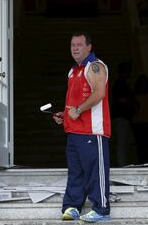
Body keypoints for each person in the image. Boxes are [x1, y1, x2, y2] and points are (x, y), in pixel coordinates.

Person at [53, 32, 111, 223]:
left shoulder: (95, 66)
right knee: (75, 172)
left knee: (95, 172)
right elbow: (76, 99)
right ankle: (72, 207)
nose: (75, 48)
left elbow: (99, 93)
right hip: (74, 131)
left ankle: (101, 209)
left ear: (89, 47)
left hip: (93, 131)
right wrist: (65, 113)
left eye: (79, 45)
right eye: (72, 45)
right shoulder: (73, 71)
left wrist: (78, 110)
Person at [111, 62, 135, 166]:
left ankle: (123, 163)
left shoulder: (122, 83)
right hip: (121, 117)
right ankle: (122, 164)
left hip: (123, 117)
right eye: (127, 71)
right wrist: (134, 105)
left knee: (125, 141)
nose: (129, 73)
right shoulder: (120, 84)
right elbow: (121, 99)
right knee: (122, 142)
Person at [132, 74, 148, 164]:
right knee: (145, 144)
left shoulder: (136, 94)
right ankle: (145, 161)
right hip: (145, 121)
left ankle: (144, 161)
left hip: (143, 122)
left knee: (143, 144)